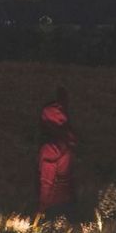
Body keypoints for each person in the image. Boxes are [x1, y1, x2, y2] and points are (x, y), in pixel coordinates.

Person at [36, 86, 77, 220]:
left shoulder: (51, 147)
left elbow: (47, 180)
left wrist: (42, 208)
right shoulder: (68, 143)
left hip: (53, 207)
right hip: (68, 203)